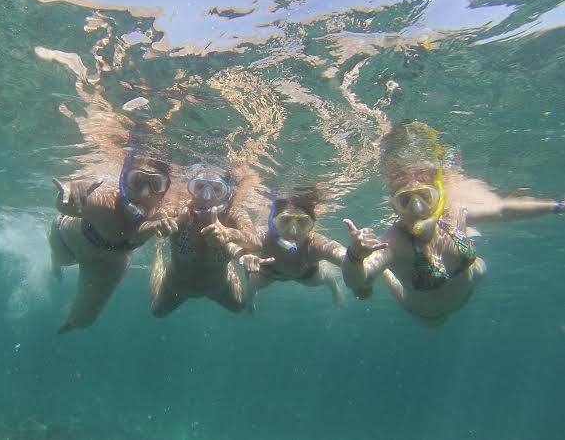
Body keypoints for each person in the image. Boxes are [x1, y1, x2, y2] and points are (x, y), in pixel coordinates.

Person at [342, 121, 564, 324]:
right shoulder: (392, 244)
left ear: (438, 196)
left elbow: (502, 210)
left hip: (469, 282)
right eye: (405, 201)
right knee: (417, 312)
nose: (417, 208)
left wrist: (558, 206)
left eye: (425, 196)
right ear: (394, 207)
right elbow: (356, 281)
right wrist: (354, 257)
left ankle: (464, 235)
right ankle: (387, 273)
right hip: (431, 315)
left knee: (475, 251)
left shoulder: (454, 213)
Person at [49, 152, 176, 332]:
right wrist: (72, 193)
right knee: (63, 260)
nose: (144, 193)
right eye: (136, 180)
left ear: (165, 190)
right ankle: (55, 265)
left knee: (84, 320)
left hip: (109, 262)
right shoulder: (106, 202)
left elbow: (136, 234)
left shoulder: (166, 211)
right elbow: (65, 205)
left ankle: (68, 323)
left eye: (156, 184)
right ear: (122, 181)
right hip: (68, 237)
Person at [235, 192, 386, 310]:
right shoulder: (261, 237)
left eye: (302, 222)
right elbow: (235, 245)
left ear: (312, 225)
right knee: (252, 285)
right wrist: (246, 256)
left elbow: (344, 260)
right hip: (270, 272)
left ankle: (334, 289)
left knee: (327, 278)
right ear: (273, 224)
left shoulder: (315, 244)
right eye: (285, 221)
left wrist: (355, 255)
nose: (293, 231)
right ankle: (250, 301)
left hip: (306, 274)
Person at [150, 165, 260, 316]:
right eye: (200, 187)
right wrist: (161, 224)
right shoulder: (180, 208)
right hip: (175, 284)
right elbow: (152, 221)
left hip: (219, 286)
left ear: (227, 194)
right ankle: (158, 251)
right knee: (157, 312)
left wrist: (228, 233)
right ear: (191, 189)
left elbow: (256, 241)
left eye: (217, 189)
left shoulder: (232, 214)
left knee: (239, 307)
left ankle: (227, 259)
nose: (206, 196)